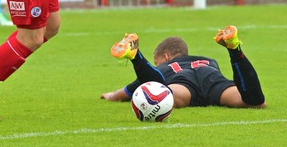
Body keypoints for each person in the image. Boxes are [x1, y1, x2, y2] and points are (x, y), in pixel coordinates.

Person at [101, 25, 266, 109]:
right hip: (212, 79)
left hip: (182, 85)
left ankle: (135, 56)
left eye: (157, 62)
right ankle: (234, 48)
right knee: (256, 103)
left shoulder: (166, 66)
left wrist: (112, 95)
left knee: (160, 94)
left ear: (166, 57)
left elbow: (131, 90)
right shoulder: (208, 60)